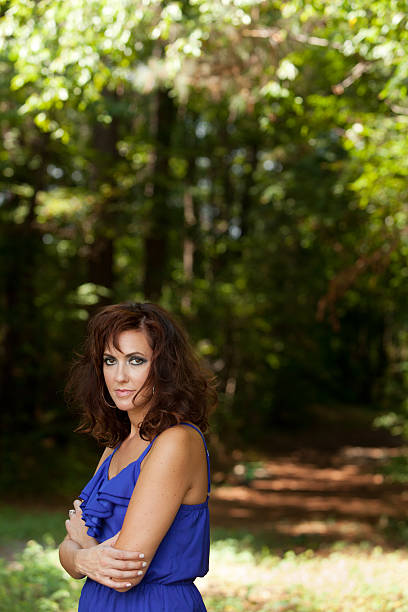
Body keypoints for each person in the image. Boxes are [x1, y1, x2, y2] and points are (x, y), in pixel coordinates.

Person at [58, 302, 217, 611]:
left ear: (165, 367)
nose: (119, 376)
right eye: (109, 360)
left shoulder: (177, 441)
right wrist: (82, 557)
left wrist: (82, 550)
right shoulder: (116, 445)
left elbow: (124, 572)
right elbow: (66, 549)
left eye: (135, 360)